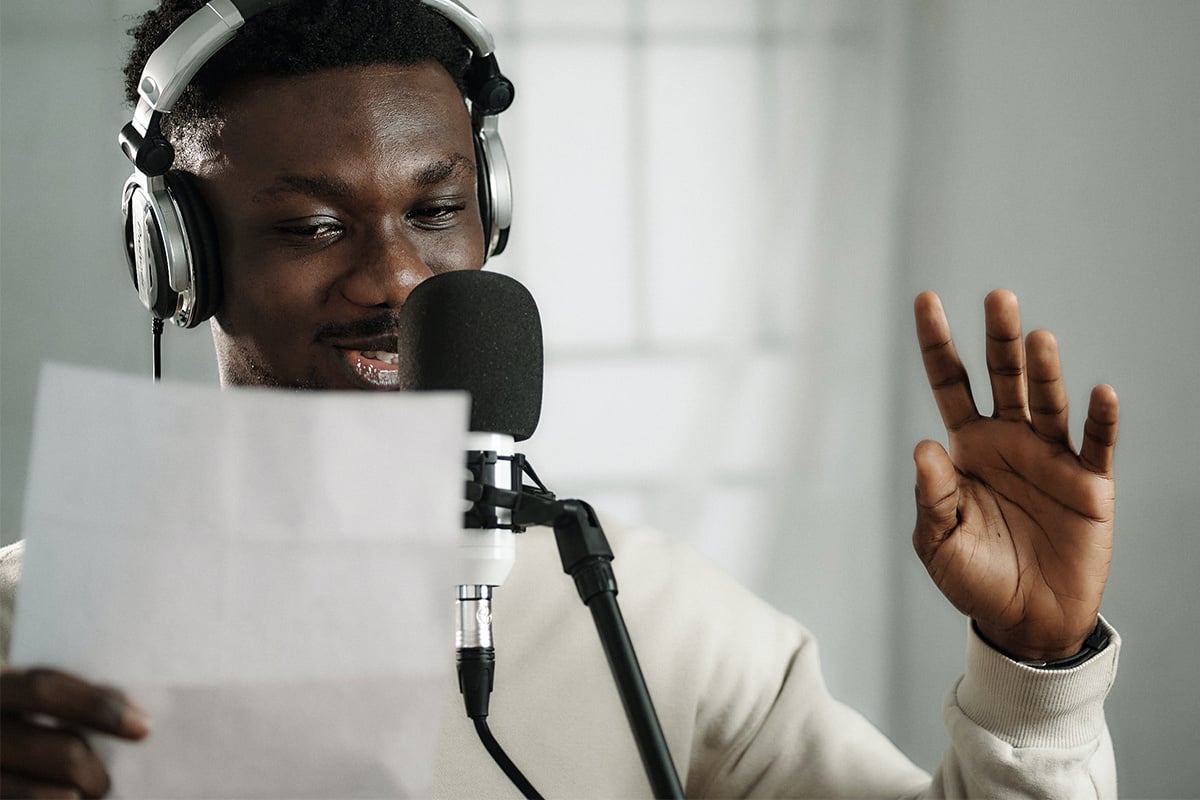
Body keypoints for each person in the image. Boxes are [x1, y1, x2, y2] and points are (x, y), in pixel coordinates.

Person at [0, 1, 1122, 797]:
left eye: (435, 211)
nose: (396, 278)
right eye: (312, 225)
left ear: (490, 208)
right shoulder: (23, 635)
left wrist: (1038, 669)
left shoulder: (642, 614)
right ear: (178, 259)